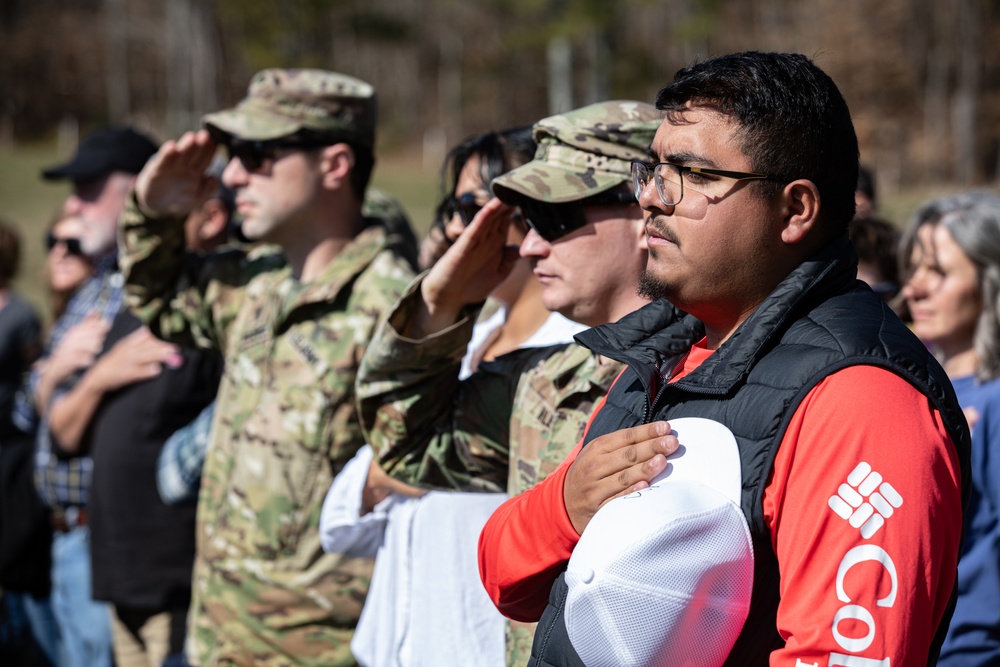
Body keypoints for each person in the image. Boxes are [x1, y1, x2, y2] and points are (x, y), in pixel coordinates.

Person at [478, 51, 970, 666]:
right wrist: (565, 507)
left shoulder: (864, 401)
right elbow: (507, 578)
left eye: (693, 173)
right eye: (652, 169)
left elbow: (844, 654)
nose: (652, 199)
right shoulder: (661, 355)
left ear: (796, 210)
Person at [119, 68, 418, 667]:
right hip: (216, 641)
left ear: (335, 165)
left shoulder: (397, 312)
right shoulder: (255, 284)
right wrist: (152, 213)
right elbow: (156, 299)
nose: (231, 176)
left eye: (257, 155)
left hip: (315, 651)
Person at [356, 100, 660, 665]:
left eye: (557, 220)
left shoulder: (720, 365)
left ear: (647, 212)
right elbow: (406, 442)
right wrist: (443, 305)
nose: (528, 245)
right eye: (529, 222)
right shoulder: (545, 380)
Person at [16, 125, 159, 667]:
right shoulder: (94, 287)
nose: (73, 207)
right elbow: (26, 408)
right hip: (64, 537)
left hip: (111, 539)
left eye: (89, 188)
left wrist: (74, 377)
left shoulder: (149, 292)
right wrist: (54, 370)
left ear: (140, 189)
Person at [900, 193, 1000, 666]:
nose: (914, 288)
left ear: (990, 281)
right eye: (914, 269)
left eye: (937, 272)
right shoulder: (916, 388)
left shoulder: (994, 402)